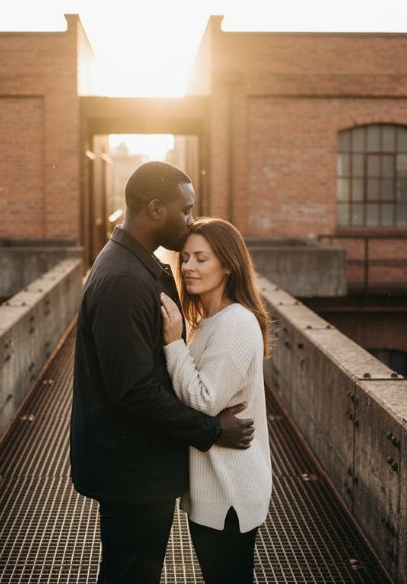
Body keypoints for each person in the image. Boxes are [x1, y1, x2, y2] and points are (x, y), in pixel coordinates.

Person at [70, 161, 255, 584]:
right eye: (185, 209)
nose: (190, 219)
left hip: (135, 463)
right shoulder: (123, 279)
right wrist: (210, 430)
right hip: (132, 471)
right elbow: (133, 390)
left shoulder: (133, 266)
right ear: (156, 209)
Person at [158, 217, 272, 584]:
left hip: (230, 491)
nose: (188, 266)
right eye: (186, 257)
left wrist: (173, 343)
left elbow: (204, 400)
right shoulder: (208, 321)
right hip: (214, 487)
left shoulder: (236, 322)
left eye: (201, 258)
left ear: (227, 265)